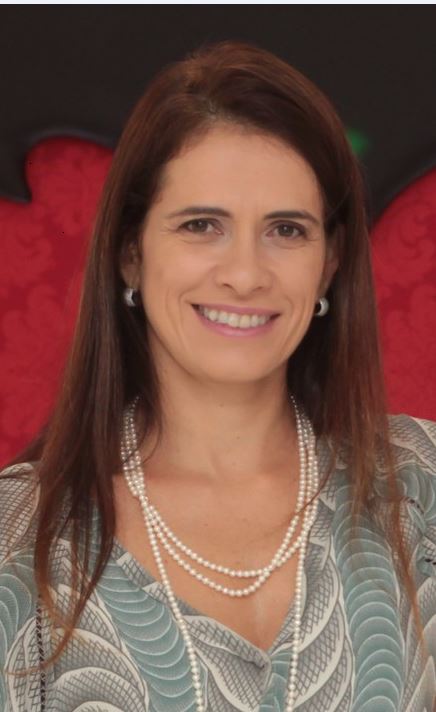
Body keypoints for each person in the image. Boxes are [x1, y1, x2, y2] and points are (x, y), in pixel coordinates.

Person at [0, 39, 435, 712]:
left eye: (286, 230)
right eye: (202, 225)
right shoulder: (19, 535)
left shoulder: (422, 487)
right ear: (130, 253)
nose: (245, 274)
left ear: (328, 264)